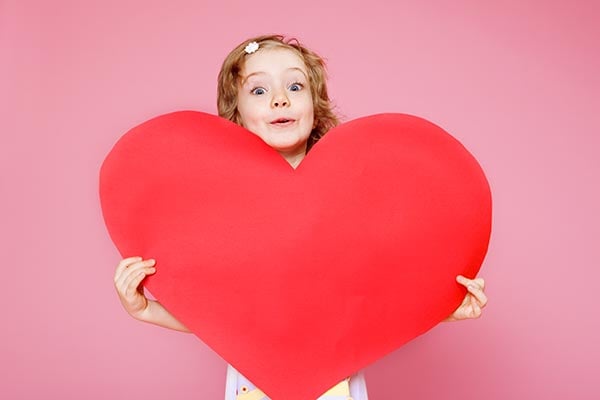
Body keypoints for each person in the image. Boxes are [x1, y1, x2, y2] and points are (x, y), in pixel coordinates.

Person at [113, 34, 488, 400]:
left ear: (315, 101)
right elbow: (221, 317)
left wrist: (443, 307)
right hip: (253, 386)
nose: (280, 99)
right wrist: (147, 310)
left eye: (295, 86)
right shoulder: (223, 212)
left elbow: (373, 301)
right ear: (236, 113)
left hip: (334, 387)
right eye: (259, 91)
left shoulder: (352, 199)